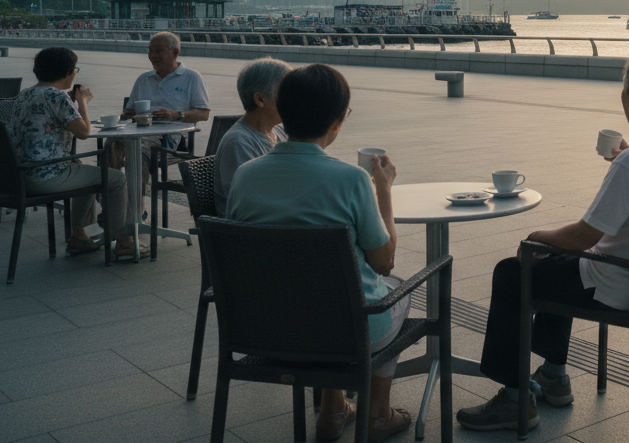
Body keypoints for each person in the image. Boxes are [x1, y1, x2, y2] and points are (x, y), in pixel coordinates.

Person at [456, 51, 629, 432]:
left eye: (625, 90)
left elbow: (582, 236)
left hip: (623, 286)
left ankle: (513, 400)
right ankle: (554, 376)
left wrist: (534, 238)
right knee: (555, 263)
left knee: (518, 268)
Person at [226, 64, 411, 443]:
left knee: (324, 292)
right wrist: (385, 191)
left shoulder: (246, 175)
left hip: (265, 329)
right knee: (396, 288)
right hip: (343, 334)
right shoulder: (351, 179)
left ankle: (333, 410)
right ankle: (377, 414)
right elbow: (383, 261)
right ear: (337, 123)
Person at [6, 48, 135, 258]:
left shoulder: (24, 94)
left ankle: (78, 236)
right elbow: (84, 132)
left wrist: (72, 104)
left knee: (85, 173)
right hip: (45, 177)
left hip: (17, 177)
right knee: (117, 178)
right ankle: (125, 242)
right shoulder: (56, 96)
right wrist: (82, 102)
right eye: (75, 69)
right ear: (68, 71)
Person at [111, 31, 212, 216]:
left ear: (175, 52)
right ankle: (113, 200)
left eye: (158, 50)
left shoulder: (192, 77)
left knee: (136, 149)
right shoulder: (143, 79)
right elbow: (129, 111)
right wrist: (129, 114)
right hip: (138, 130)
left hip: (167, 137)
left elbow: (203, 113)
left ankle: (134, 208)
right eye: (150, 51)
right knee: (112, 144)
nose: (152, 56)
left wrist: (175, 114)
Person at [213, 57, 290, 207]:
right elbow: (250, 203)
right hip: (251, 227)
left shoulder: (281, 132)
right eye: (286, 92)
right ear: (260, 99)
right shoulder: (239, 143)